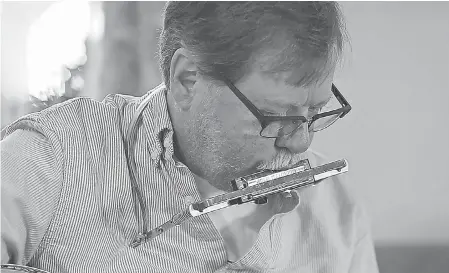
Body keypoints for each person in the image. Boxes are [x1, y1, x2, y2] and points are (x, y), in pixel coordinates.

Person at [1, 2, 379, 272]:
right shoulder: (54, 154)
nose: (301, 144)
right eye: (278, 116)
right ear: (187, 79)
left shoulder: (337, 208)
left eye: (315, 112)